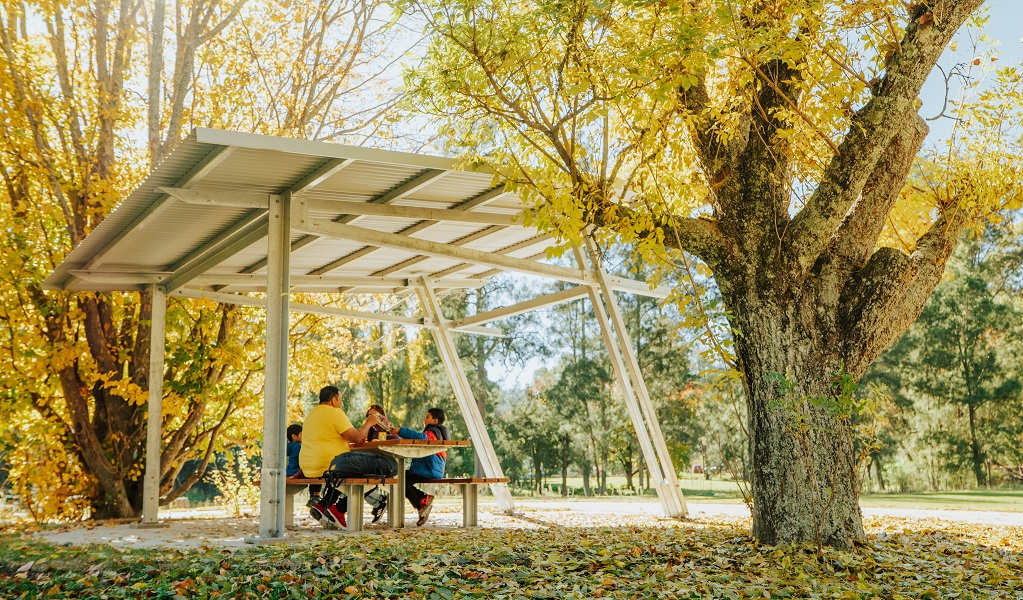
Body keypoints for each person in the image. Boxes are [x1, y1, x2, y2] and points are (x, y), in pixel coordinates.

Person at [299, 386, 396, 529]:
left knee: (352, 467)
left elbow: (330, 438)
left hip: (310, 466)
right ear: (333, 400)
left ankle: (324, 504)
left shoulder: (311, 415)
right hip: (332, 465)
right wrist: (369, 423)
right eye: (341, 399)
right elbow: (356, 438)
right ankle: (339, 509)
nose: (342, 403)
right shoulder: (334, 413)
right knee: (390, 465)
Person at [386, 407, 449, 526]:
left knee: (402, 480)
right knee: (401, 478)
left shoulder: (434, 431)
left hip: (429, 469)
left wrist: (401, 431)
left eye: (427, 417)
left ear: (435, 421)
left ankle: (423, 501)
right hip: (427, 468)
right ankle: (423, 504)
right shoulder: (436, 432)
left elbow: (422, 438)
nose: (424, 420)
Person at [285, 423, 321, 507]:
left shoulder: (289, 446)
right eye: (301, 434)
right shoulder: (300, 446)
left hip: (289, 472)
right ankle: (315, 496)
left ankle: (314, 497)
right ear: (294, 436)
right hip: (299, 472)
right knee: (316, 473)